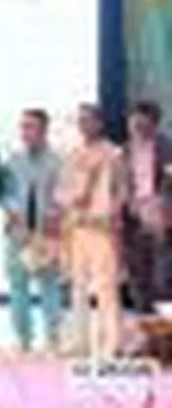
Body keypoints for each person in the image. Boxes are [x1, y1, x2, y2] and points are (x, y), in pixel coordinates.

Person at [58, 103, 122, 358]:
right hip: (76, 226)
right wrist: (70, 202)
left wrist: (113, 216)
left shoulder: (113, 154)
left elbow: (121, 191)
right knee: (78, 287)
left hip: (101, 227)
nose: (83, 125)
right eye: (80, 120)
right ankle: (80, 341)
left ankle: (111, 344)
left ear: (99, 123)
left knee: (105, 287)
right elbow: (62, 190)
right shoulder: (73, 154)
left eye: (88, 120)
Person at [1, 109, 63, 351]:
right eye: (23, 126)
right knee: (18, 285)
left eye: (31, 127)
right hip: (18, 232)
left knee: (50, 285)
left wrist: (54, 214)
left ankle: (53, 337)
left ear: (44, 130)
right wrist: (12, 211)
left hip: (46, 233)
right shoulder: (13, 161)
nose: (26, 132)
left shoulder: (58, 162)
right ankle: (23, 338)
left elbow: (63, 195)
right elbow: (4, 193)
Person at [121, 101, 172, 314]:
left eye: (142, 124)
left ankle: (165, 324)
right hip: (133, 217)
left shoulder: (167, 147)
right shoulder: (125, 150)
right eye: (133, 123)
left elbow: (169, 178)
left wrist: (162, 204)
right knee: (138, 274)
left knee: (163, 276)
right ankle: (144, 320)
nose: (137, 128)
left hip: (161, 216)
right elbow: (121, 182)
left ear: (154, 123)